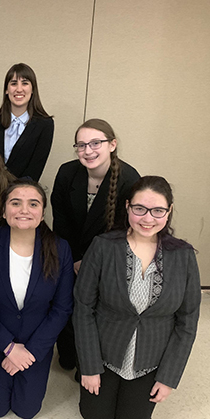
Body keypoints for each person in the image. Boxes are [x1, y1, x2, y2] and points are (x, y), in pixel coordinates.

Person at [74, 175, 201, 419]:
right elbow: (83, 308)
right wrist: (89, 366)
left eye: (157, 211)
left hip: (149, 359)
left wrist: (168, 378)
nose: (147, 218)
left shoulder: (184, 256)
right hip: (105, 355)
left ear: (169, 211)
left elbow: (187, 321)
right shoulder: (103, 246)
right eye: (139, 209)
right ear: (128, 207)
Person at [0, 179, 74, 419]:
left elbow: (62, 308)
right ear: (3, 210)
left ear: (42, 213)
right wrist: (8, 347)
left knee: (27, 410)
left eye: (33, 204)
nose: (24, 210)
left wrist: (29, 352)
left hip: (35, 343)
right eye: (16, 203)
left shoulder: (60, 249)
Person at [51, 118, 140, 371]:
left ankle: (90, 361)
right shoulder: (67, 173)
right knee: (67, 303)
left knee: (96, 310)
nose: (88, 151)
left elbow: (126, 231)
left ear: (112, 144)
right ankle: (68, 354)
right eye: (81, 145)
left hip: (108, 260)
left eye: (95, 143)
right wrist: (75, 259)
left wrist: (90, 263)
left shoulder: (129, 179)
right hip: (72, 255)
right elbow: (61, 221)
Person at [0, 63, 54, 181]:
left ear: (33, 89)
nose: (19, 89)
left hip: (22, 192)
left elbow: (36, 167)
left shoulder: (45, 124)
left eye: (25, 83)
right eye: (13, 83)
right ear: (6, 90)